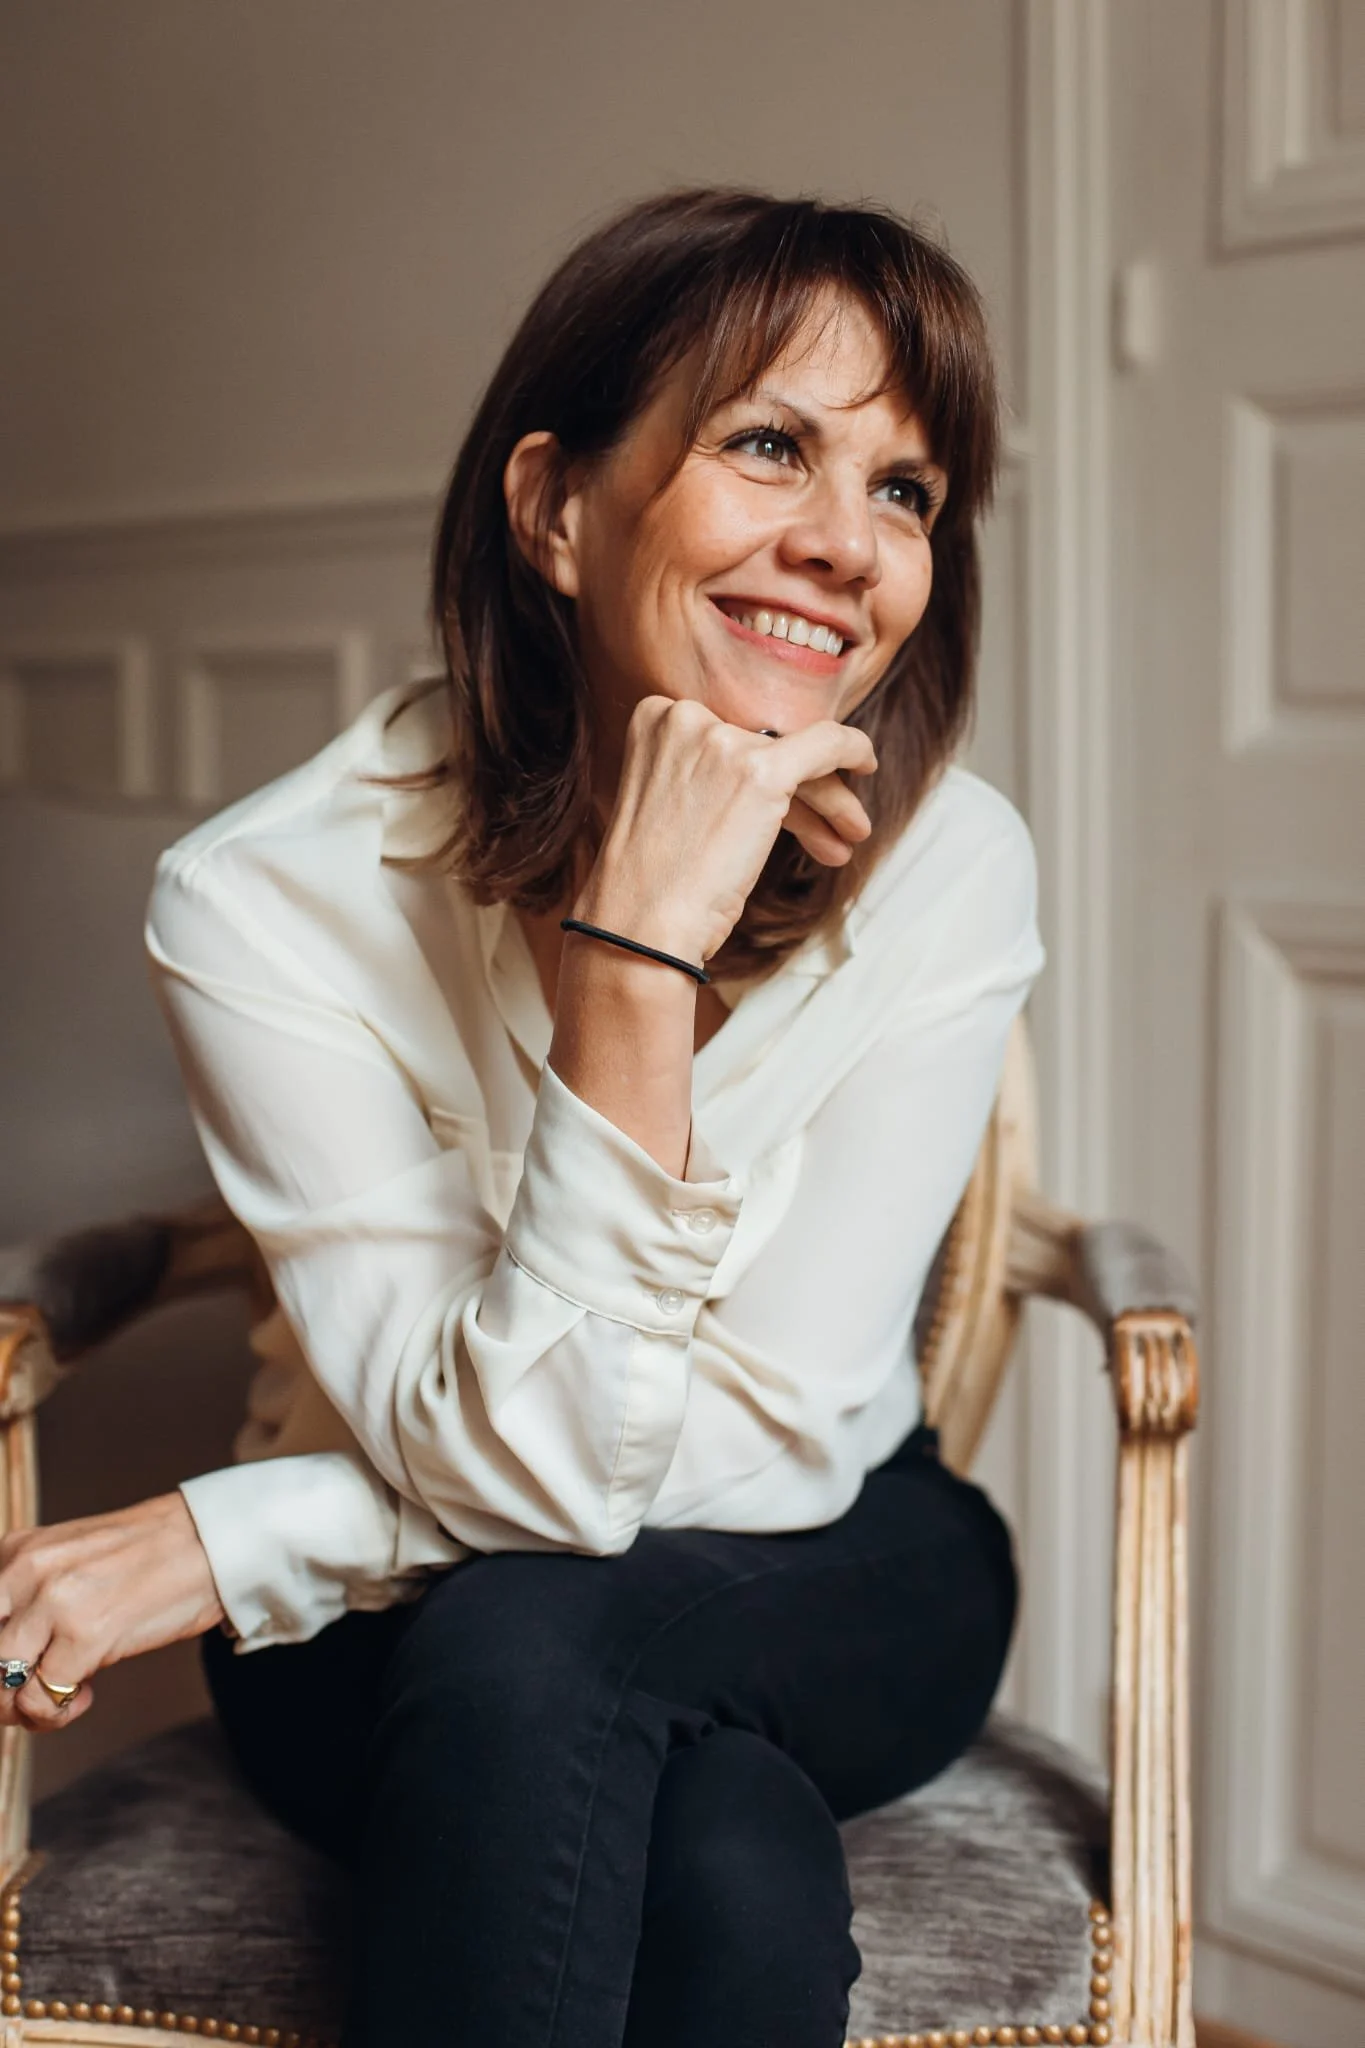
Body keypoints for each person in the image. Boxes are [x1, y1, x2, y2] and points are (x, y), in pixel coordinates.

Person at [0, 189, 1044, 2048]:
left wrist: (247, 1537)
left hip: (832, 1545)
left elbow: (783, 1430)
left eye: (905, 491)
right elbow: (554, 1491)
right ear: (558, 508)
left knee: (546, 1642)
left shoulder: (951, 863)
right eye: (769, 447)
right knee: (701, 1835)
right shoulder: (266, 901)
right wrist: (636, 954)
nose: (844, 545)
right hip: (384, 1656)